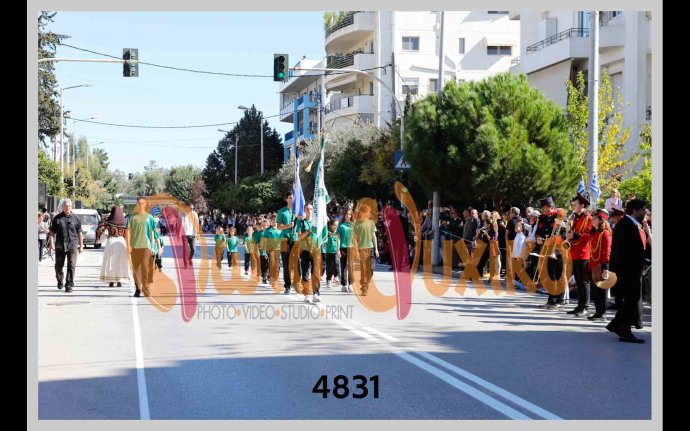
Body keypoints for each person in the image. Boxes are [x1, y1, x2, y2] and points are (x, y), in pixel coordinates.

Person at [607, 199, 647, 343]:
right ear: (634, 210)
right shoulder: (626, 224)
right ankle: (624, 331)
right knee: (630, 300)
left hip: (630, 271)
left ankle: (617, 326)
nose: (645, 212)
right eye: (643, 209)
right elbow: (624, 252)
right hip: (627, 272)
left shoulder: (629, 223)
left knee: (631, 301)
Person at [530, 197, 566, 309]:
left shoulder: (558, 216)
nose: (542, 209)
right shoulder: (542, 217)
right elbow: (538, 231)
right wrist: (538, 237)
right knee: (550, 275)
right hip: (545, 249)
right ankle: (551, 300)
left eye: (544, 207)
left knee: (558, 274)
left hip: (557, 250)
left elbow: (562, 233)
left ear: (549, 207)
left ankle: (560, 300)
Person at [565, 193, 593, 316]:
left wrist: (575, 235)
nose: (573, 207)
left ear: (582, 205)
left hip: (583, 254)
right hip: (574, 252)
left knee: (584, 281)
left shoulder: (588, 218)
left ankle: (585, 307)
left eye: (575, 205)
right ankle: (580, 306)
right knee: (578, 281)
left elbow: (589, 235)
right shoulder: (575, 218)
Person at [49, 198, 83, 292]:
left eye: (69, 206)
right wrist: (51, 243)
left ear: (71, 207)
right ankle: (60, 279)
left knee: (71, 264)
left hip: (72, 245)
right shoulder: (57, 218)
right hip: (60, 245)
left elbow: (80, 233)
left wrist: (81, 246)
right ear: (62, 207)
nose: (67, 208)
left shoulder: (76, 219)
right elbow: (52, 232)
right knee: (58, 266)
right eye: (65, 206)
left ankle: (69, 284)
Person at [126, 197, 156, 298]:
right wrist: (128, 245)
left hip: (146, 246)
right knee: (136, 269)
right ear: (136, 204)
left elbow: (152, 232)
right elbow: (128, 231)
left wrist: (153, 246)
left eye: (143, 203)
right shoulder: (131, 217)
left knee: (145, 267)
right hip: (134, 246)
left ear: (145, 205)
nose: (141, 205)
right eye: (139, 203)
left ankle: (146, 288)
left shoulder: (149, 217)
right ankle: (137, 289)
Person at [587, 209, 612, 321]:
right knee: (595, 291)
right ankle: (598, 312)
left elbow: (607, 251)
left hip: (601, 266)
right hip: (593, 264)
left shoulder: (605, 234)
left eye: (595, 218)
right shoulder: (594, 233)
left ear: (601, 220)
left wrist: (605, 267)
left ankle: (602, 313)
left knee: (601, 290)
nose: (592, 220)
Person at [95, 205, 130, 287]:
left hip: (111, 242)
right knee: (120, 261)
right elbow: (127, 235)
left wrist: (99, 239)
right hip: (121, 242)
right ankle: (119, 280)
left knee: (111, 261)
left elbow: (100, 230)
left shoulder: (109, 222)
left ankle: (111, 280)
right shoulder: (123, 223)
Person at [296, 202, 321, 303]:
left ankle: (316, 293)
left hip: (316, 250)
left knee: (316, 273)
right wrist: (308, 231)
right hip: (305, 250)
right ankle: (306, 294)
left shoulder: (317, 222)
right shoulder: (301, 223)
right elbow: (298, 236)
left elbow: (322, 234)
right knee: (305, 272)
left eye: (311, 209)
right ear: (304, 211)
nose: (309, 211)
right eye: (307, 209)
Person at [353, 200, 379, 297]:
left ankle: (365, 282)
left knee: (371, 269)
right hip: (361, 249)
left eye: (369, 212)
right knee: (364, 269)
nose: (368, 214)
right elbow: (355, 239)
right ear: (361, 213)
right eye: (366, 212)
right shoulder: (357, 223)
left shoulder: (371, 223)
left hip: (370, 248)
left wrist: (376, 249)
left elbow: (374, 236)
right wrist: (356, 251)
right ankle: (364, 288)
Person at [277, 192, 298, 295]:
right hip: (284, 239)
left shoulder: (298, 211)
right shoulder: (282, 211)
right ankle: (287, 286)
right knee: (286, 264)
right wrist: (288, 226)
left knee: (296, 263)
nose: (292, 199)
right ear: (286, 199)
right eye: (290, 198)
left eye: (293, 198)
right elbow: (278, 227)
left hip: (295, 239)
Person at [260, 214, 283, 287]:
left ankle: (275, 278)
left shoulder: (281, 229)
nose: (275, 220)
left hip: (279, 249)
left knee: (277, 265)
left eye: (276, 219)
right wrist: (261, 246)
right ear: (271, 220)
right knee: (272, 264)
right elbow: (263, 239)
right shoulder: (268, 230)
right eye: (273, 219)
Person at [337, 208, 355, 293]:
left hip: (351, 247)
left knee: (351, 266)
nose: (348, 216)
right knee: (343, 266)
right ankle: (344, 285)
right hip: (343, 247)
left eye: (350, 214)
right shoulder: (341, 225)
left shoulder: (353, 225)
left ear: (351, 215)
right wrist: (338, 250)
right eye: (347, 214)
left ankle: (350, 285)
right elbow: (338, 238)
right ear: (344, 215)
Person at [180, 203, 200, 268]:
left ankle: (190, 258)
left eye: (192, 208)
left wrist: (198, 233)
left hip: (193, 234)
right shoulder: (182, 214)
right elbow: (180, 224)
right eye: (190, 208)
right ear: (187, 207)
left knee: (193, 249)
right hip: (184, 234)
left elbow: (197, 224)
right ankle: (185, 264)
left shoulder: (195, 214)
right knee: (185, 250)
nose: (192, 209)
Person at [323, 220, 339, 288]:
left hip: (335, 251)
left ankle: (336, 277)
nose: (336, 226)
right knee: (330, 266)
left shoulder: (337, 232)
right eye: (334, 225)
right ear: (330, 225)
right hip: (328, 252)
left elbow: (338, 241)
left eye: (337, 225)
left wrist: (338, 250)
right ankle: (328, 279)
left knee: (336, 263)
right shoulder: (328, 232)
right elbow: (330, 234)